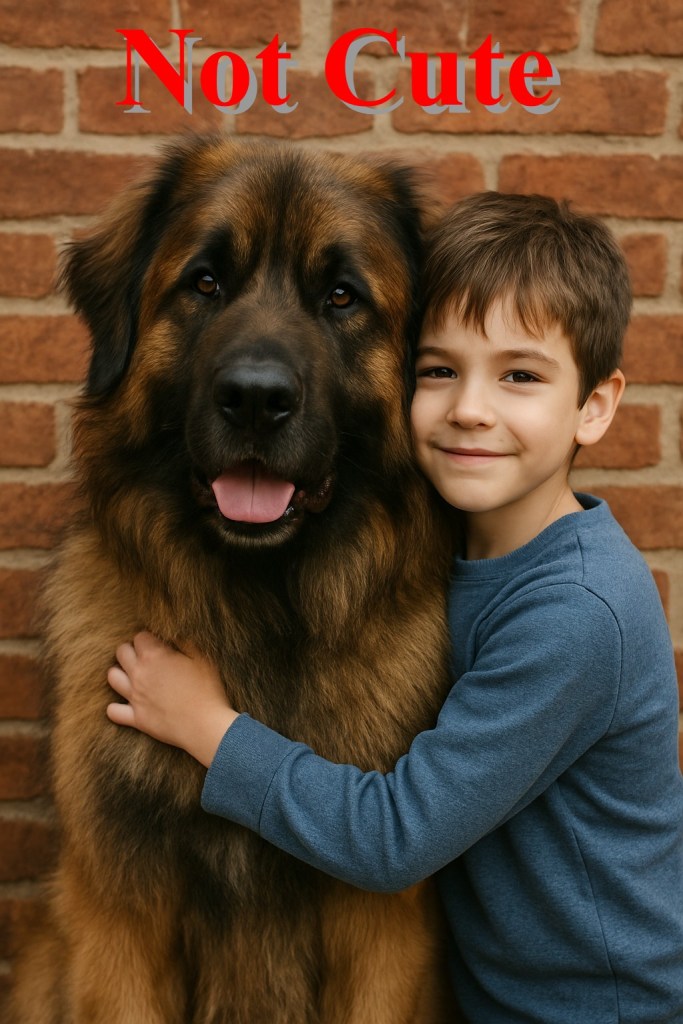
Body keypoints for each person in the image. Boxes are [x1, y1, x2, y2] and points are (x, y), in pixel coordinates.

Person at [106, 193, 683, 1023]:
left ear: (594, 405)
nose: (469, 409)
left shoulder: (576, 611)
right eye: (438, 370)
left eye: (519, 375)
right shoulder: (462, 548)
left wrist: (208, 726)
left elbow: (393, 841)